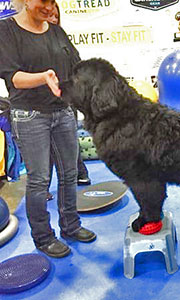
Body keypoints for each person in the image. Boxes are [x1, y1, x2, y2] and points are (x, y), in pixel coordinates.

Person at [0, 0, 96, 258]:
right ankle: (43, 238)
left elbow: (77, 65)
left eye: (53, 1)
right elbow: (14, 78)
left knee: (69, 173)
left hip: (63, 111)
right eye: (44, 1)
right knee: (40, 180)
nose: (50, 7)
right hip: (30, 115)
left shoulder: (55, 30)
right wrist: (43, 77)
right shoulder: (7, 31)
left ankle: (71, 226)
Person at [46, 2, 91, 199]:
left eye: (56, 16)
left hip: (64, 101)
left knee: (70, 142)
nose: (53, 19)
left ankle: (81, 174)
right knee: (46, 150)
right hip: (40, 104)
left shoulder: (61, 37)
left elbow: (77, 62)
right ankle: (44, 187)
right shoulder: (30, 40)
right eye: (49, 16)